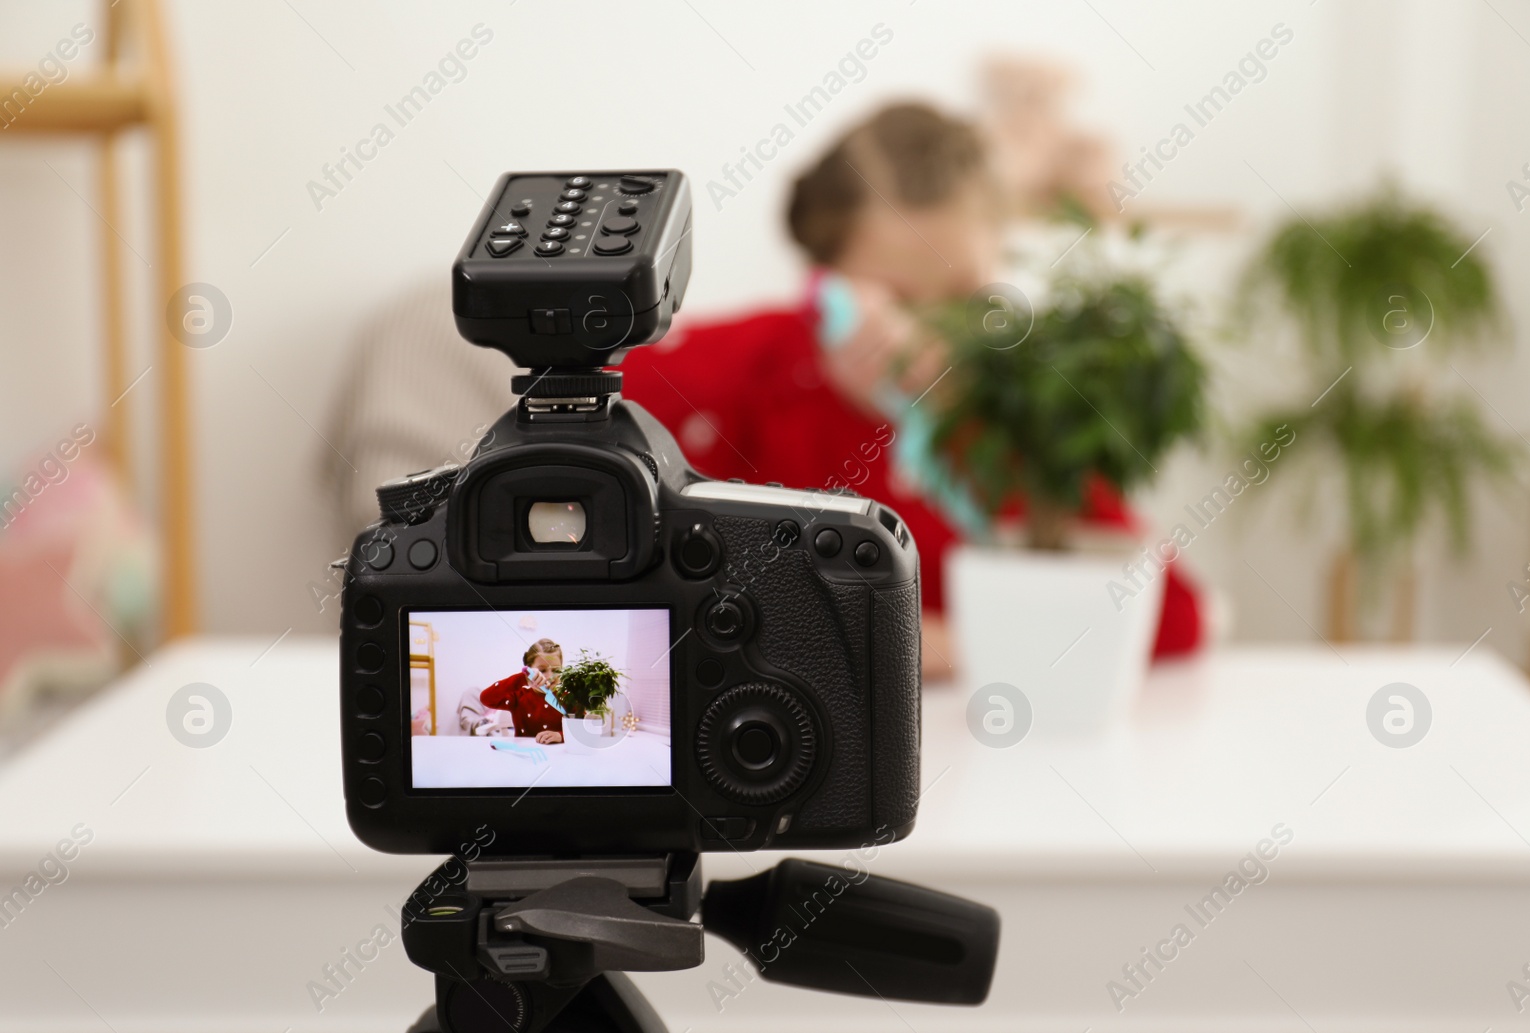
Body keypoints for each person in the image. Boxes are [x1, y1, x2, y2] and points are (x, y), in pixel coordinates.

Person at [323, 101, 1203, 680]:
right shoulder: (716, 379)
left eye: (967, 294)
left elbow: (1173, 617)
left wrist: (950, 646)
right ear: (826, 283)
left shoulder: (1011, 406)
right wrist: (959, 646)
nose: (935, 331)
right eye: (900, 294)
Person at [479, 639, 567, 743]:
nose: (549, 676)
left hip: (560, 756)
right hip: (525, 756)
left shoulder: (569, 697)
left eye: (556, 670)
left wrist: (562, 736)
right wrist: (523, 678)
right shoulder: (519, 696)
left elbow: (583, 730)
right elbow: (486, 698)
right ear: (530, 671)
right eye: (542, 670)